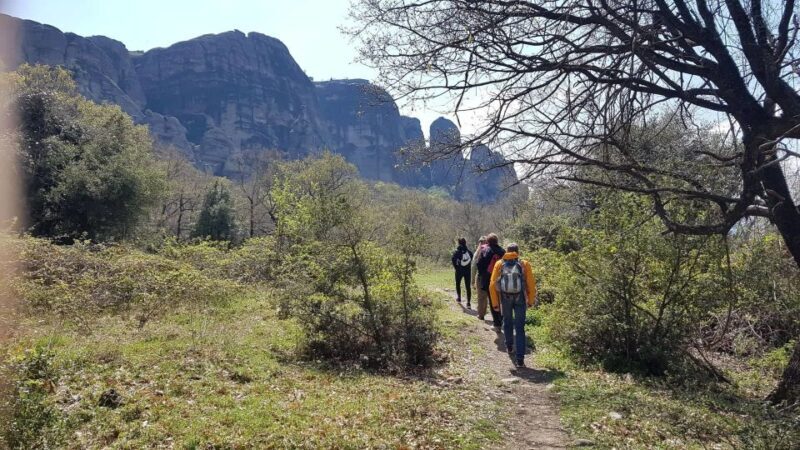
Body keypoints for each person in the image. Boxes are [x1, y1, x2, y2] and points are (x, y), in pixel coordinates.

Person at [489, 243, 537, 368]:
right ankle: (520, 359)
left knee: (507, 321)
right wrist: (531, 300)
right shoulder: (524, 264)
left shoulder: (499, 264)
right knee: (520, 328)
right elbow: (531, 284)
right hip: (520, 297)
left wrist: (495, 304)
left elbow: (492, 285)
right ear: (518, 252)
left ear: (506, 251)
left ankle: (509, 346)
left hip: (505, 298)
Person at [475, 233, 505, 329]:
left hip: (489, 280)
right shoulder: (503, 251)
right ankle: (502, 320)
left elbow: (479, 264)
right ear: (497, 241)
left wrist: (482, 275)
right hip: (502, 279)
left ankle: (497, 324)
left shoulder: (485, 250)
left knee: (493, 300)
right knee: (501, 300)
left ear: (488, 241)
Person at [451, 237, 473, 307]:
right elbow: (472, 260)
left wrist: (456, 268)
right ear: (465, 243)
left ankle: (459, 298)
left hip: (459, 271)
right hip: (468, 271)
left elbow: (453, 260)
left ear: (459, 243)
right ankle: (468, 303)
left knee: (458, 284)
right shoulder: (469, 252)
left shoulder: (456, 252)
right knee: (468, 286)